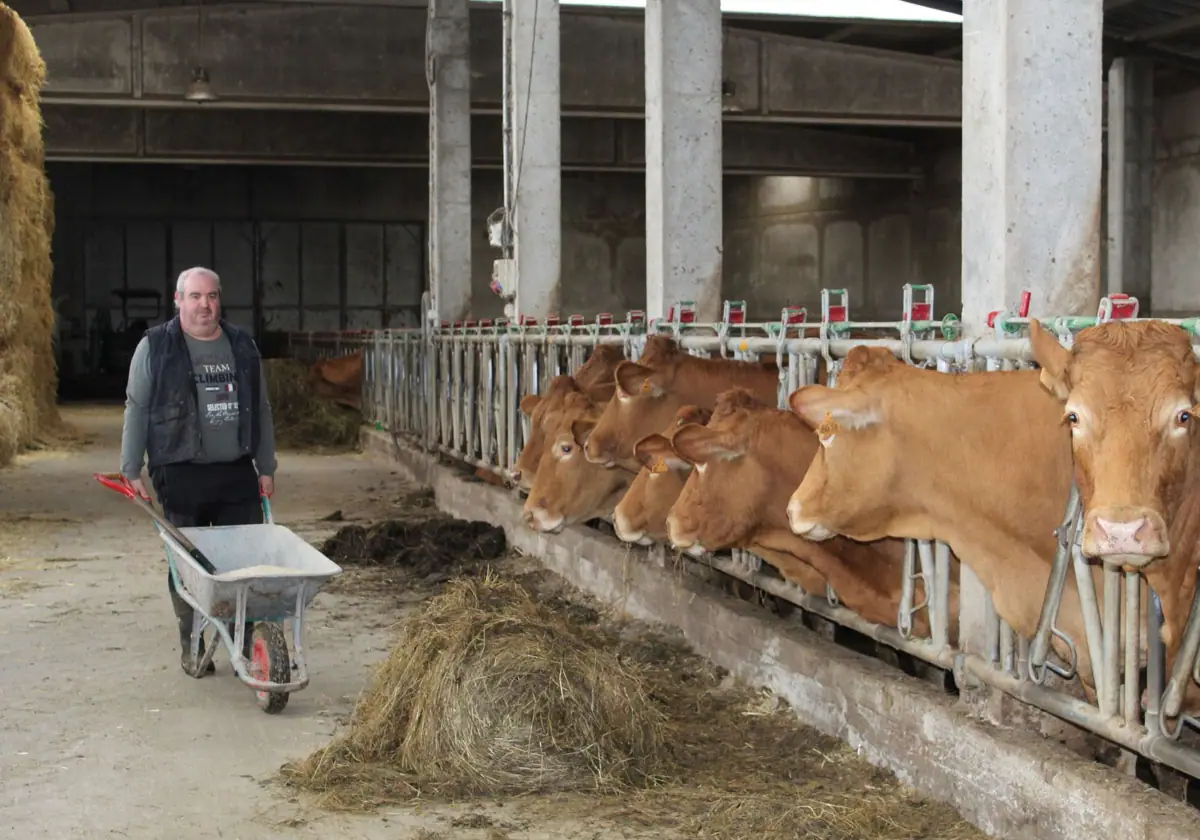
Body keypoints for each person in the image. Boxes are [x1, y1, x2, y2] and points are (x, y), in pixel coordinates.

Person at [120, 266, 278, 677]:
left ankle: (245, 645)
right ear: (178, 300)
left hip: (236, 471)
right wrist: (130, 467)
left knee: (245, 562)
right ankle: (193, 644)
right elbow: (136, 408)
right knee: (188, 564)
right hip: (180, 471)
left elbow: (260, 407)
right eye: (195, 296)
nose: (205, 305)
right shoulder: (155, 347)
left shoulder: (242, 345)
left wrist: (266, 464)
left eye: (212, 296)